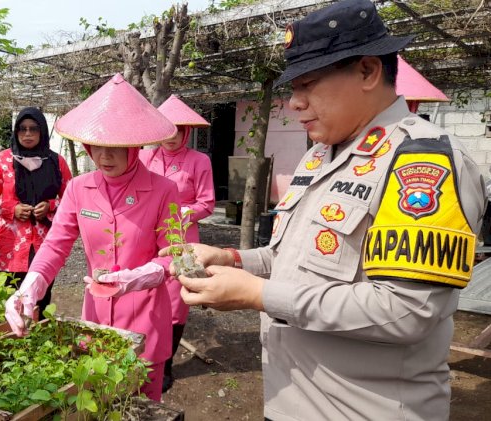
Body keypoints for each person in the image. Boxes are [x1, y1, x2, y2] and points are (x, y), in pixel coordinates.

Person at [163, 1, 486, 419]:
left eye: (308, 84)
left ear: (368, 71)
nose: (294, 103)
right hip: (292, 397)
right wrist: (233, 258)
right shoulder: (321, 156)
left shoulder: (422, 163)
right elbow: (295, 257)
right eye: (292, 88)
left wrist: (258, 295)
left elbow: (407, 311)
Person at [4, 73, 181, 401]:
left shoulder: (163, 190)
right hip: (97, 319)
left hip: (146, 319)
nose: (104, 157)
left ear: (135, 144)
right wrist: (30, 288)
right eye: (97, 146)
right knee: (101, 402)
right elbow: (55, 244)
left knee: (143, 404)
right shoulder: (78, 188)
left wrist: (136, 277)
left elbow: (172, 254)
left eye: (115, 148)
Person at [139, 94, 215, 392]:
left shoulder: (199, 161)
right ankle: (140, 357)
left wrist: (187, 210)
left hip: (182, 239)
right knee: (144, 291)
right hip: (147, 234)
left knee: (175, 301)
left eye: (178, 130)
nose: (172, 137)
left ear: (187, 132)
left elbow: (208, 202)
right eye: (166, 129)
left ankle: (166, 365)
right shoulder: (145, 156)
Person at [0, 107, 73, 319]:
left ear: (42, 131)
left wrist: (51, 205)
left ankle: (38, 339)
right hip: (12, 242)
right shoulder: (2, 160)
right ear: (16, 132)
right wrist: (11, 208)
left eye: (33, 129)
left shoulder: (56, 162)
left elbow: (71, 198)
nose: (27, 134)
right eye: (22, 129)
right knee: (8, 294)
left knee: (41, 294)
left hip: (45, 243)